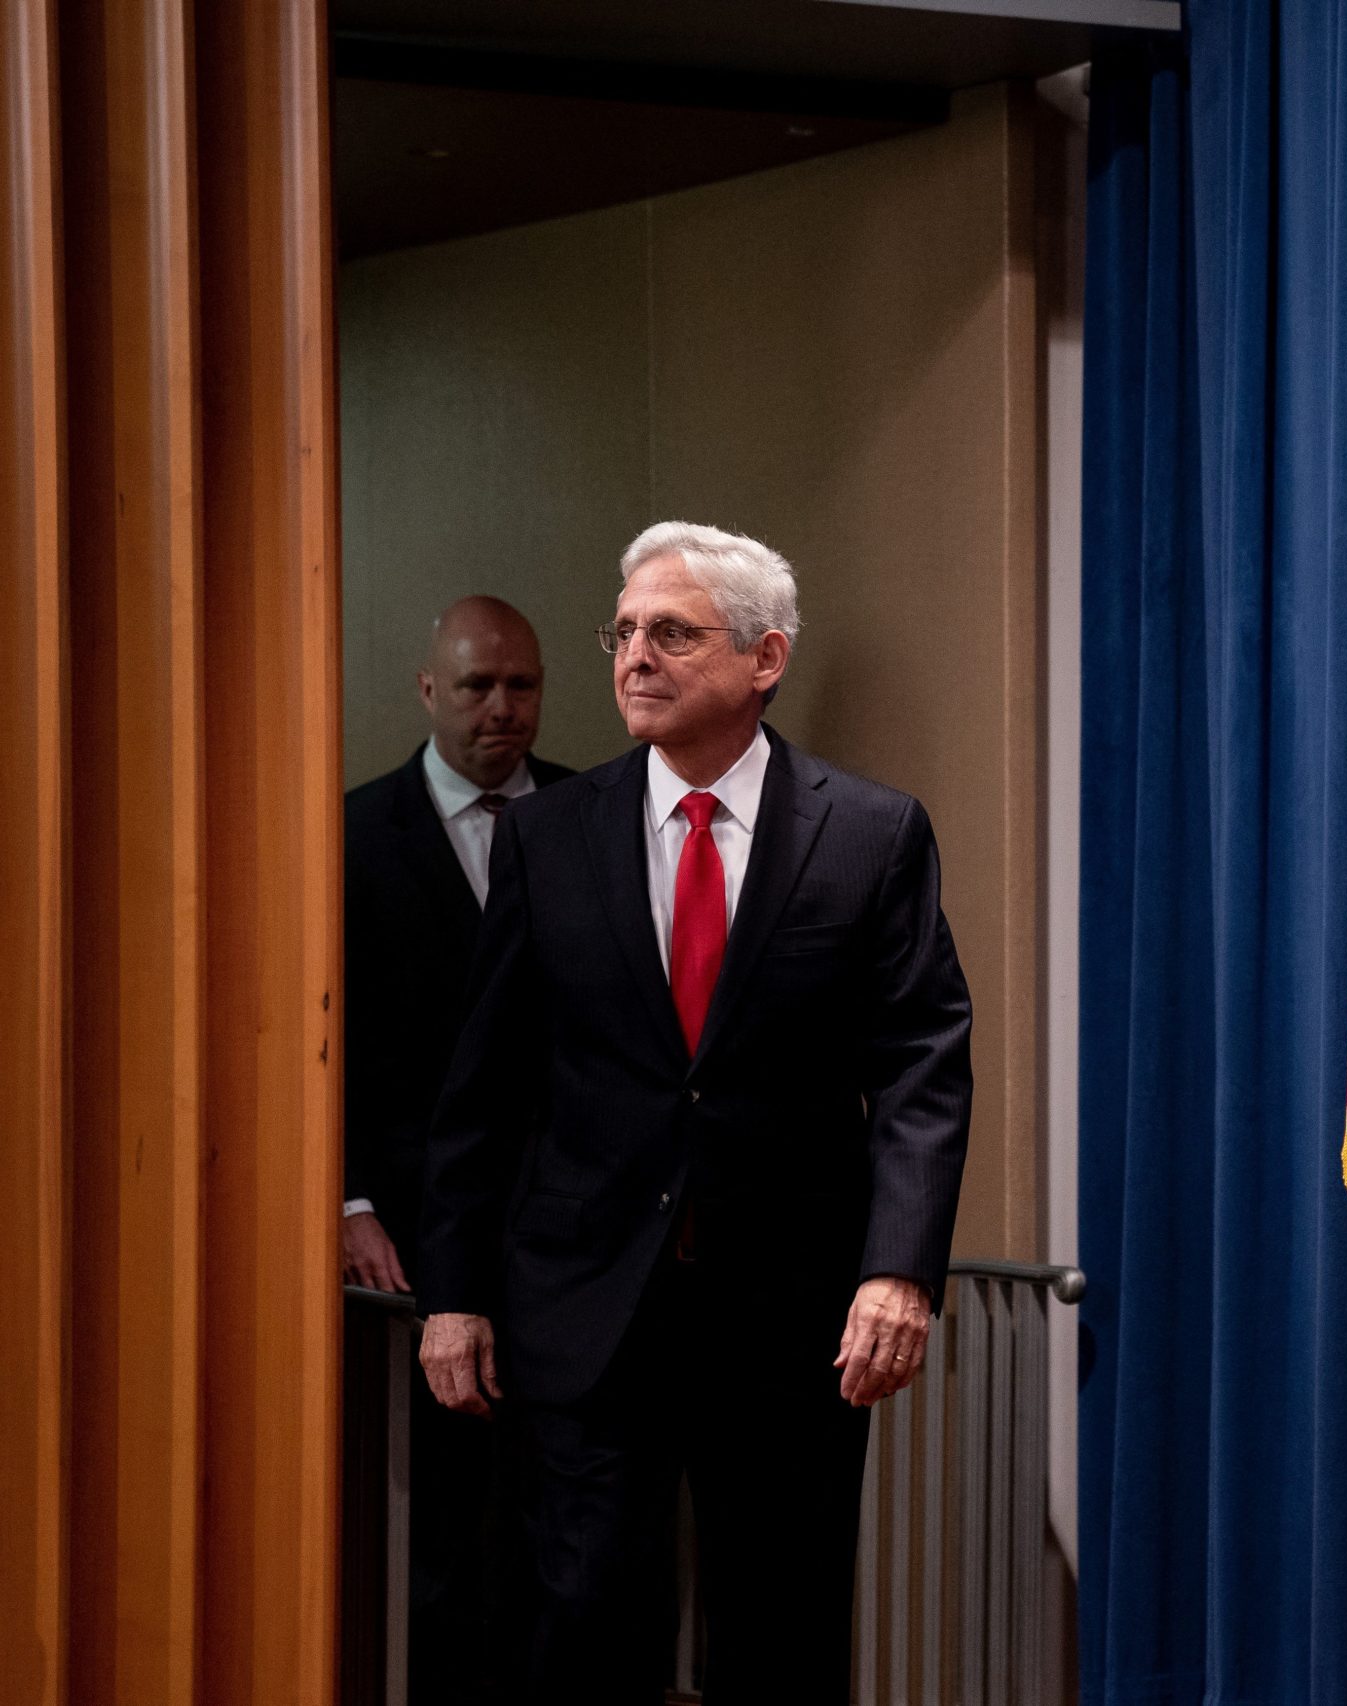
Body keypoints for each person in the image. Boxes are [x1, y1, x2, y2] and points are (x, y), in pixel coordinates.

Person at [414, 521, 971, 1703]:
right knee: (581, 1620)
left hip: (790, 1310)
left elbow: (923, 1060)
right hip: (582, 1303)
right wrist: (452, 1290)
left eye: (670, 632)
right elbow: (488, 1083)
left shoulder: (870, 833)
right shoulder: (550, 834)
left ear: (763, 659)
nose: (633, 657)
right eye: (622, 632)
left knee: (778, 1624)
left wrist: (899, 1270)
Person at [342, 594, 572, 1704]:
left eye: (521, 685)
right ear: (429, 689)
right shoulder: (349, 831)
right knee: (434, 1524)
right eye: (477, 685)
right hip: (410, 1228)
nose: (501, 707)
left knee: (570, 1521)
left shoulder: (594, 812)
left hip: (573, 1228)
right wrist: (345, 1203)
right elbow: (314, 1039)